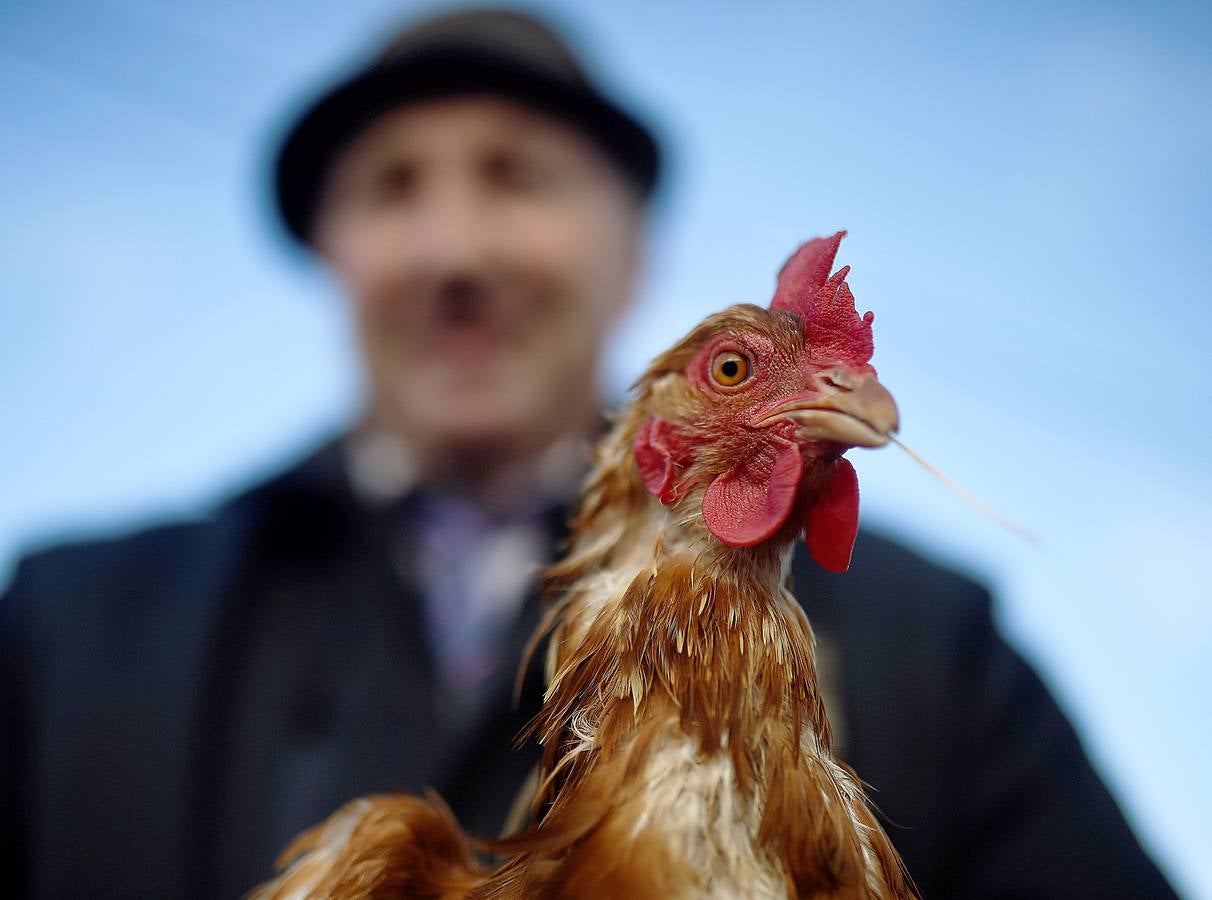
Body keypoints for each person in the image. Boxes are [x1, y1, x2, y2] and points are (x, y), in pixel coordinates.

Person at [0, 7, 1177, 899]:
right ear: (336, 252)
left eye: (517, 178)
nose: (453, 248)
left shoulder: (928, 639)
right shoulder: (82, 625)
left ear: (632, 254)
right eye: (393, 188)